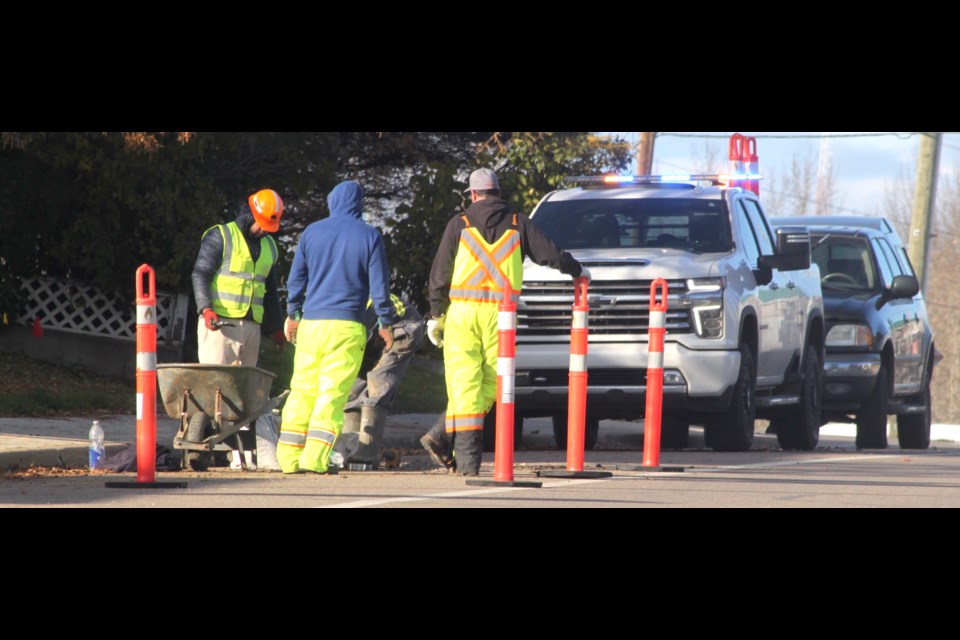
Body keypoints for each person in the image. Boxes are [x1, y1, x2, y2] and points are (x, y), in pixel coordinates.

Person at [421, 168, 588, 476]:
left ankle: (457, 452)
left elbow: (439, 275)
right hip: (502, 318)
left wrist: (435, 314)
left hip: (462, 315)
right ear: (498, 192)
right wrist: (577, 271)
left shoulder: (459, 224)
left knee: (464, 383)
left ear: (472, 194)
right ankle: (447, 442)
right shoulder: (517, 222)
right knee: (496, 383)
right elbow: (551, 254)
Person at [278, 180, 397, 475]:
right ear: (359, 205)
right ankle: (314, 459)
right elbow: (379, 288)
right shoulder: (369, 236)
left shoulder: (311, 232)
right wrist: (385, 323)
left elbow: (296, 280)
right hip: (346, 327)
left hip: (311, 325)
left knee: (301, 389)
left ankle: (288, 459)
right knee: (330, 395)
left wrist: (293, 314)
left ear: (332, 202)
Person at [191, 188, 286, 467]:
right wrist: (205, 308)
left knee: (246, 398)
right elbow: (200, 273)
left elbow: (270, 293)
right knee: (213, 390)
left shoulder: (270, 247)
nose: (265, 231)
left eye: (271, 227)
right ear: (251, 214)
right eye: (262, 224)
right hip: (219, 325)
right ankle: (203, 446)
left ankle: (239, 454)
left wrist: (276, 328)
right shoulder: (221, 236)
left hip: (251, 327)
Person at [342, 293, 425, 470]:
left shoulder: (357, 314)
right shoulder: (335, 310)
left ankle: (366, 454)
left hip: (403, 327)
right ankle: (350, 449)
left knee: (378, 383)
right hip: (374, 332)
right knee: (353, 388)